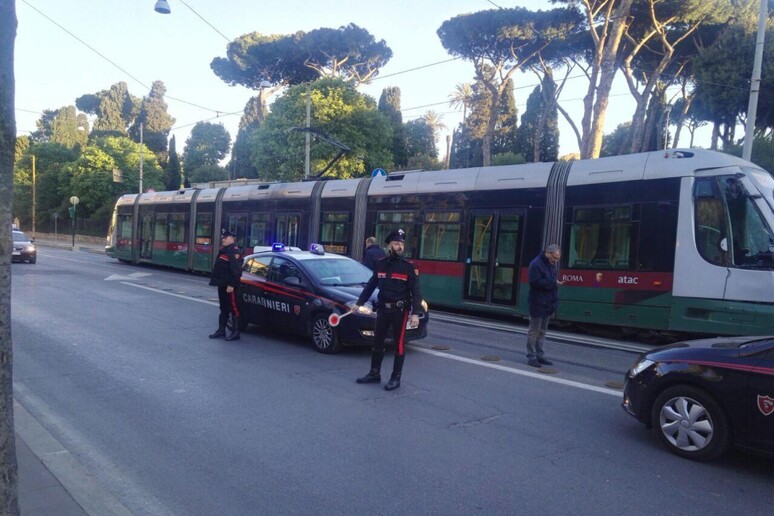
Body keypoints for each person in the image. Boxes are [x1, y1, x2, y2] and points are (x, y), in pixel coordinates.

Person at [352, 228, 423, 391]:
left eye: (402, 244)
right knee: (378, 341)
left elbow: (416, 292)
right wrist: (359, 303)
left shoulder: (408, 268)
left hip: (400, 311)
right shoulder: (381, 264)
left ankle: (395, 378)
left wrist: (416, 314)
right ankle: (374, 373)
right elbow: (371, 285)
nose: (400, 247)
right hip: (383, 309)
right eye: (396, 244)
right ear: (389, 245)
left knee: (398, 344)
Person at [526, 244, 563, 367]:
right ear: (548, 253)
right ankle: (532, 356)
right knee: (534, 330)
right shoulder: (536, 264)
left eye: (557, 258)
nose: (556, 261)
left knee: (542, 331)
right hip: (537, 302)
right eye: (555, 257)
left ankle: (539, 355)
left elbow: (549, 282)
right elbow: (534, 282)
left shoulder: (550, 264)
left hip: (548, 302)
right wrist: (554, 283)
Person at [209, 229, 243, 341]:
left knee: (234, 308)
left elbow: (236, 271)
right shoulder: (225, 250)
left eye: (225, 237)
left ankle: (236, 332)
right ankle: (221, 330)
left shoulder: (234, 251)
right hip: (222, 284)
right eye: (222, 237)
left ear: (232, 239)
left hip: (230, 286)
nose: (222, 239)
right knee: (223, 307)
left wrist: (232, 285)